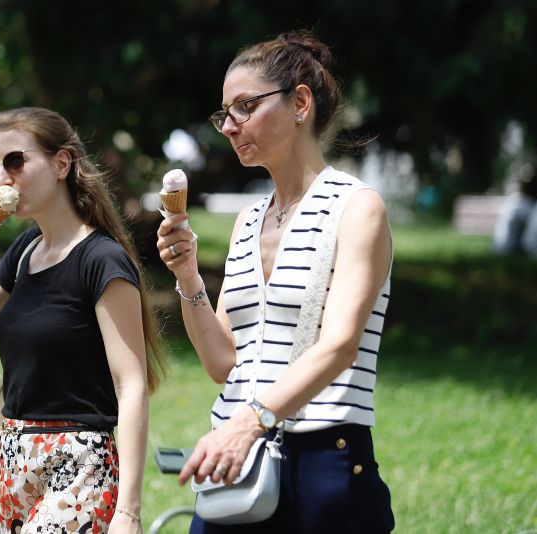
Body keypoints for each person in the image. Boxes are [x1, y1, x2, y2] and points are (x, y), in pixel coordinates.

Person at [156, 30, 395, 532]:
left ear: (300, 103)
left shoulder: (356, 207)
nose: (230, 126)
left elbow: (339, 345)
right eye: (224, 114)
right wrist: (187, 275)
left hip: (322, 460)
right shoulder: (248, 221)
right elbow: (223, 363)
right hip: (237, 463)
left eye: (245, 107)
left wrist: (251, 421)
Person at [0, 107, 166, 534]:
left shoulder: (101, 259)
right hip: (15, 462)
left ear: (62, 163)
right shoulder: (24, 252)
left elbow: (131, 385)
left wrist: (128, 510)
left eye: (15, 161)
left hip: (79, 466)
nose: (3, 177)